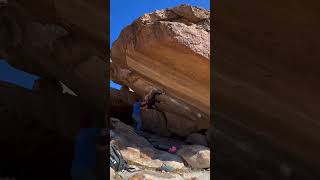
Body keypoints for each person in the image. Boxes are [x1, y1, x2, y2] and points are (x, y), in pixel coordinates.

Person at [71, 112, 107, 180]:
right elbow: (105, 132)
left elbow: (99, 148)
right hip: (84, 170)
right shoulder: (89, 131)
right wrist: (107, 120)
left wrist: (111, 145)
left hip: (76, 170)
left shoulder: (80, 135)